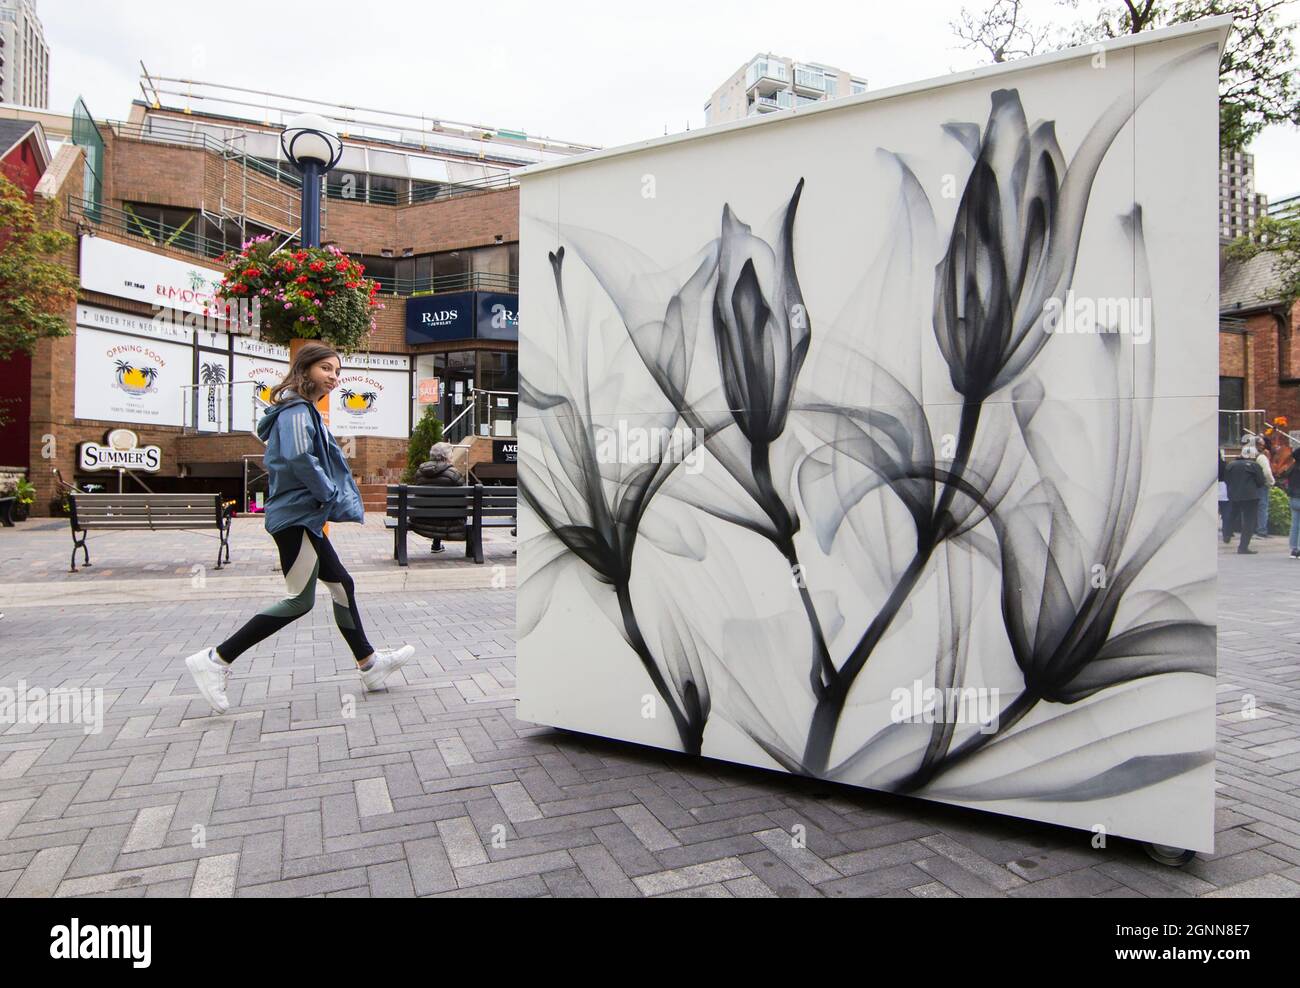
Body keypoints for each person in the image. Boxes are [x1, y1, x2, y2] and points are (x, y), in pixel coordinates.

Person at [185, 342, 414, 714]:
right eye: (327, 369)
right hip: (296, 518)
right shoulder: (295, 410)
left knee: (342, 584)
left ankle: (369, 664)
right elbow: (297, 457)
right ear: (305, 369)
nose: (334, 377)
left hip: (303, 517)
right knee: (299, 600)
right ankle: (215, 659)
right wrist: (328, 493)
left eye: (337, 372)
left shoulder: (301, 409)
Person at [410, 442, 465, 553]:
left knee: (436, 508)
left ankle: (436, 545)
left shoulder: (419, 473)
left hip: (421, 520)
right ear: (447, 456)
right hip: (450, 521)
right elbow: (463, 500)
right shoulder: (454, 474)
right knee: (445, 509)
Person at [1226, 445, 1267, 554]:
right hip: (1250, 496)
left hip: (1234, 495)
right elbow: (1261, 482)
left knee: (1231, 515)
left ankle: (1227, 534)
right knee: (1249, 521)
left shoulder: (1231, 465)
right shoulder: (1254, 466)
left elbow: (1226, 479)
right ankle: (1243, 547)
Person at [1255, 436, 1275, 537]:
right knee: (1262, 507)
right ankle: (1262, 530)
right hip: (1261, 485)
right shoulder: (1261, 457)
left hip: (1250, 485)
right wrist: (1271, 482)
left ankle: (1250, 528)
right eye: (1262, 444)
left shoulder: (1248, 455)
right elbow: (1267, 472)